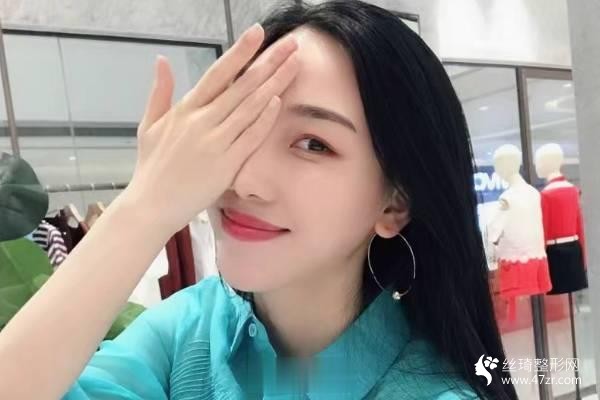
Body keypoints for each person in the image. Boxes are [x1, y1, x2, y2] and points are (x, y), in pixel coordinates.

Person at [0, 1, 518, 399]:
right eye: (241, 128)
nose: (244, 180)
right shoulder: (192, 329)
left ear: (394, 205)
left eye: (313, 143)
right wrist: (145, 205)